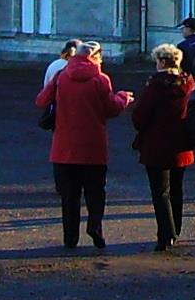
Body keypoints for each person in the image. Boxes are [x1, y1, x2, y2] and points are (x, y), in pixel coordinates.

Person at [33, 39, 133, 249]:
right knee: (95, 191)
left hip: (64, 146)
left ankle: (70, 238)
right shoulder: (100, 79)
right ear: (94, 57)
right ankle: (94, 226)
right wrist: (123, 98)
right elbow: (111, 108)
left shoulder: (61, 76)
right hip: (93, 145)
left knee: (69, 196)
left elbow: (41, 101)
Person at [130, 43, 195, 251]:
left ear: (161, 61)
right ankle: (175, 229)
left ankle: (166, 233)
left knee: (161, 192)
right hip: (181, 145)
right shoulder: (188, 84)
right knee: (176, 189)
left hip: (156, 145)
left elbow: (140, 117)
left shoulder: (155, 86)